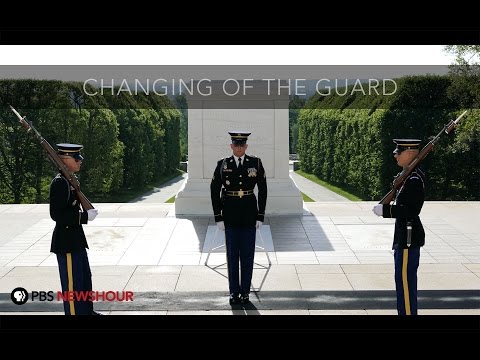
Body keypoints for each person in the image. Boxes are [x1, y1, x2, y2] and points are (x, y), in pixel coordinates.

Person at [210, 131, 267, 305]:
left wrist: (260, 215)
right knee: (232, 256)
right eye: (236, 145)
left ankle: (245, 292)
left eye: (242, 145)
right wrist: (218, 217)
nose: (239, 148)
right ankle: (234, 292)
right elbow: (214, 190)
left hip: (249, 215)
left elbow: (263, 190)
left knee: (248, 256)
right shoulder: (223, 164)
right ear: (231, 146)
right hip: (230, 215)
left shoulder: (255, 163)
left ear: (246, 146)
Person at [372, 139, 425, 315]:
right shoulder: (408, 177)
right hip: (404, 238)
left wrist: (386, 210)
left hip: (408, 240)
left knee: (406, 284)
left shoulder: (414, 179)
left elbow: (411, 210)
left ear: (410, 154)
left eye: (398, 152)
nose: (395, 155)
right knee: (402, 283)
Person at [49, 143, 100, 315]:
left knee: (84, 280)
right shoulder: (60, 183)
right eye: (76, 159)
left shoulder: (69, 181)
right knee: (72, 286)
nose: (80, 162)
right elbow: (57, 215)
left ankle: (87, 312)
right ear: (64, 160)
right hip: (67, 243)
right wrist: (84, 217)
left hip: (76, 240)